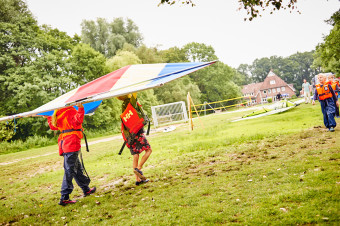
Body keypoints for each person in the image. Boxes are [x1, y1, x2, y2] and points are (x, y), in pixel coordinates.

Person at [46, 103, 96, 206]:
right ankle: (64, 197)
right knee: (70, 170)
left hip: (65, 144)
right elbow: (77, 121)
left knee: (77, 168)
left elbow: (53, 126)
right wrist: (81, 108)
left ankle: (86, 189)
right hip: (71, 143)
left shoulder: (57, 113)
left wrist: (48, 117)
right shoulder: (69, 111)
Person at [118, 93, 152, 185]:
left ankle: (138, 180)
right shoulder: (130, 102)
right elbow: (135, 94)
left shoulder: (124, 105)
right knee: (148, 150)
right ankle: (139, 168)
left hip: (130, 135)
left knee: (135, 156)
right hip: (137, 133)